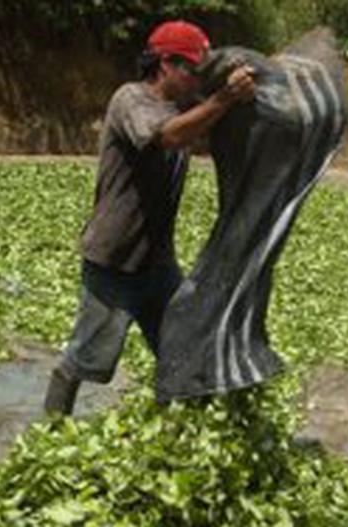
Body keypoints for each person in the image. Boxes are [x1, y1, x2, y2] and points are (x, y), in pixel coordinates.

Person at [43, 20, 256, 417]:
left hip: (158, 265)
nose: (196, 79)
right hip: (114, 262)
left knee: (183, 350)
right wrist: (224, 99)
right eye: (190, 69)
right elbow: (168, 136)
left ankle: (182, 429)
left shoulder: (187, 107)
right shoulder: (130, 100)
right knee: (85, 358)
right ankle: (47, 433)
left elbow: (209, 123)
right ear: (164, 64)